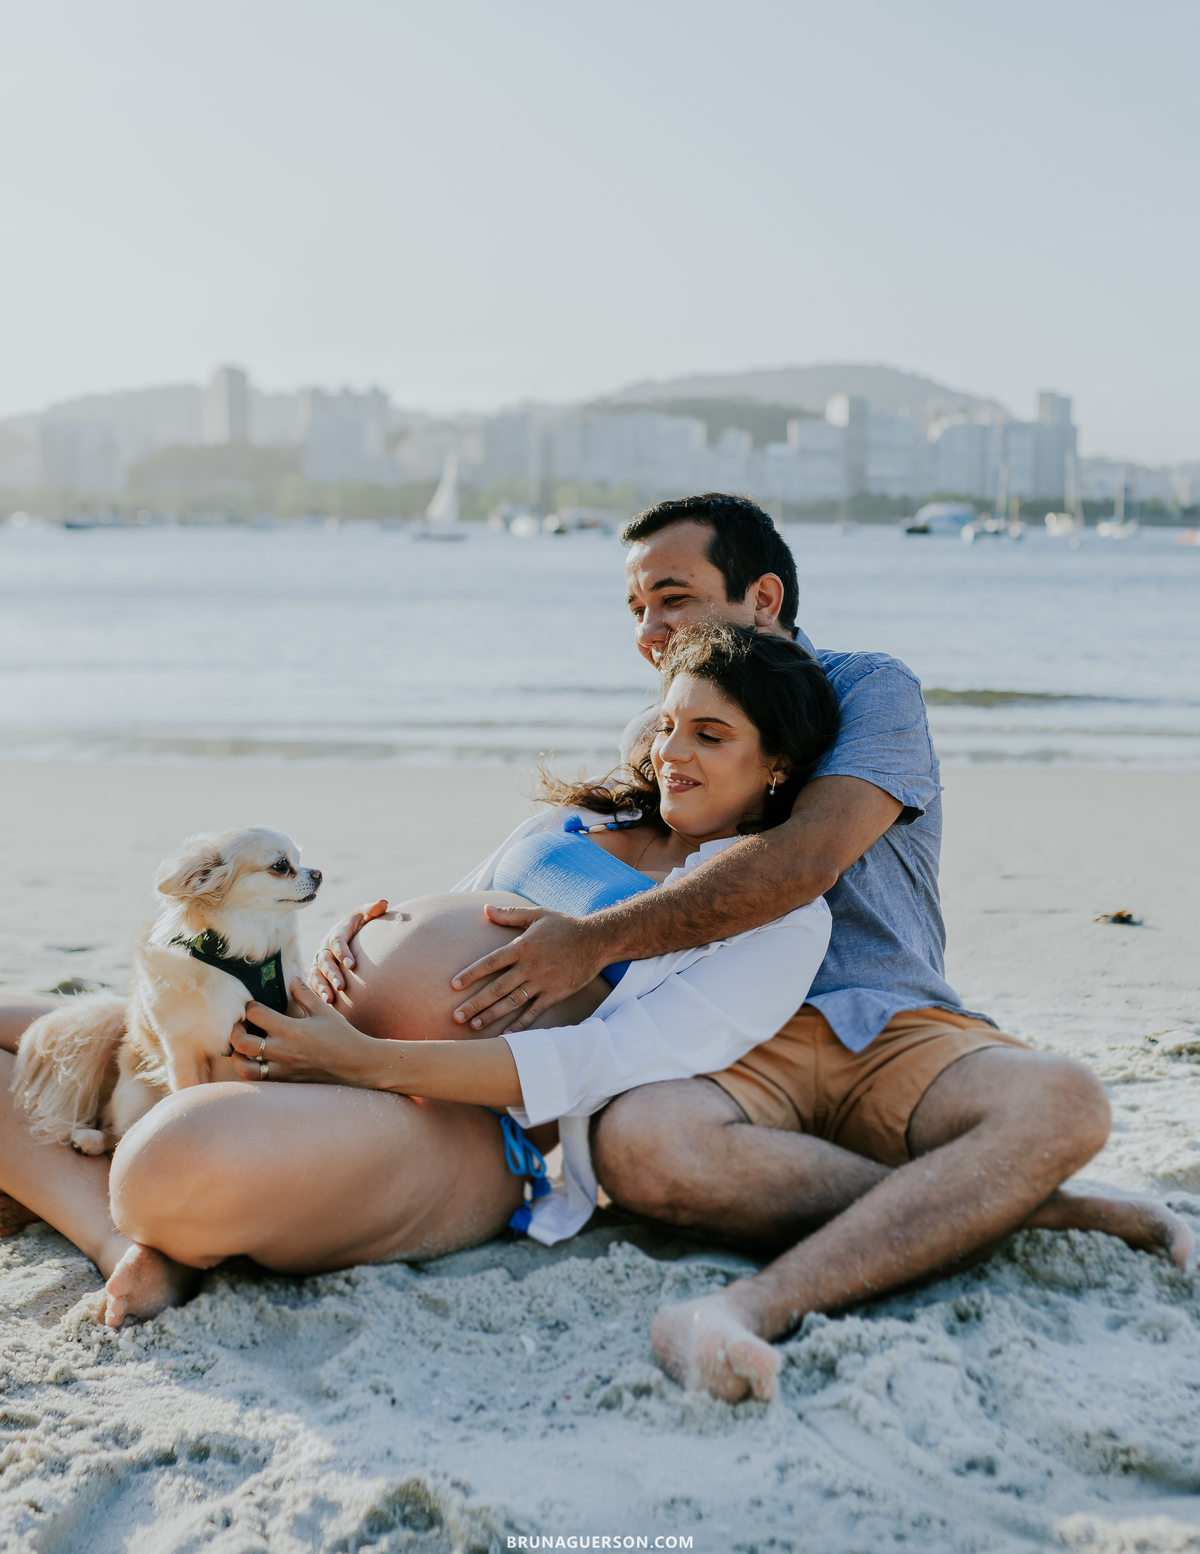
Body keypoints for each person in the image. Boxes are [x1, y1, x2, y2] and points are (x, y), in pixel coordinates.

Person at [319, 493, 1188, 1404]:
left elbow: (800, 861)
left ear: (763, 599)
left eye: (674, 598)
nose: (651, 631)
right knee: (637, 1149)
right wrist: (399, 921)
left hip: (881, 1017)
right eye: (637, 610)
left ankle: (750, 1305)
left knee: (1065, 1105)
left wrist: (587, 946)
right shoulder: (659, 732)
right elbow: (568, 853)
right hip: (723, 1043)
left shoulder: (867, 688)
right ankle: (1022, 1209)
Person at [0, 625, 838, 1325]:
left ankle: (134, 1237)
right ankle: (133, 1241)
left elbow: (598, 1064)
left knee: (162, 1165)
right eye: (668, 725)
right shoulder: (589, 817)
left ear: (777, 767)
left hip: (455, 1122)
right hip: (299, 1023)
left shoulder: (778, 916)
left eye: (711, 736)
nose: (672, 755)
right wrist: (343, 939)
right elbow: (456, 906)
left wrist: (354, 1061)